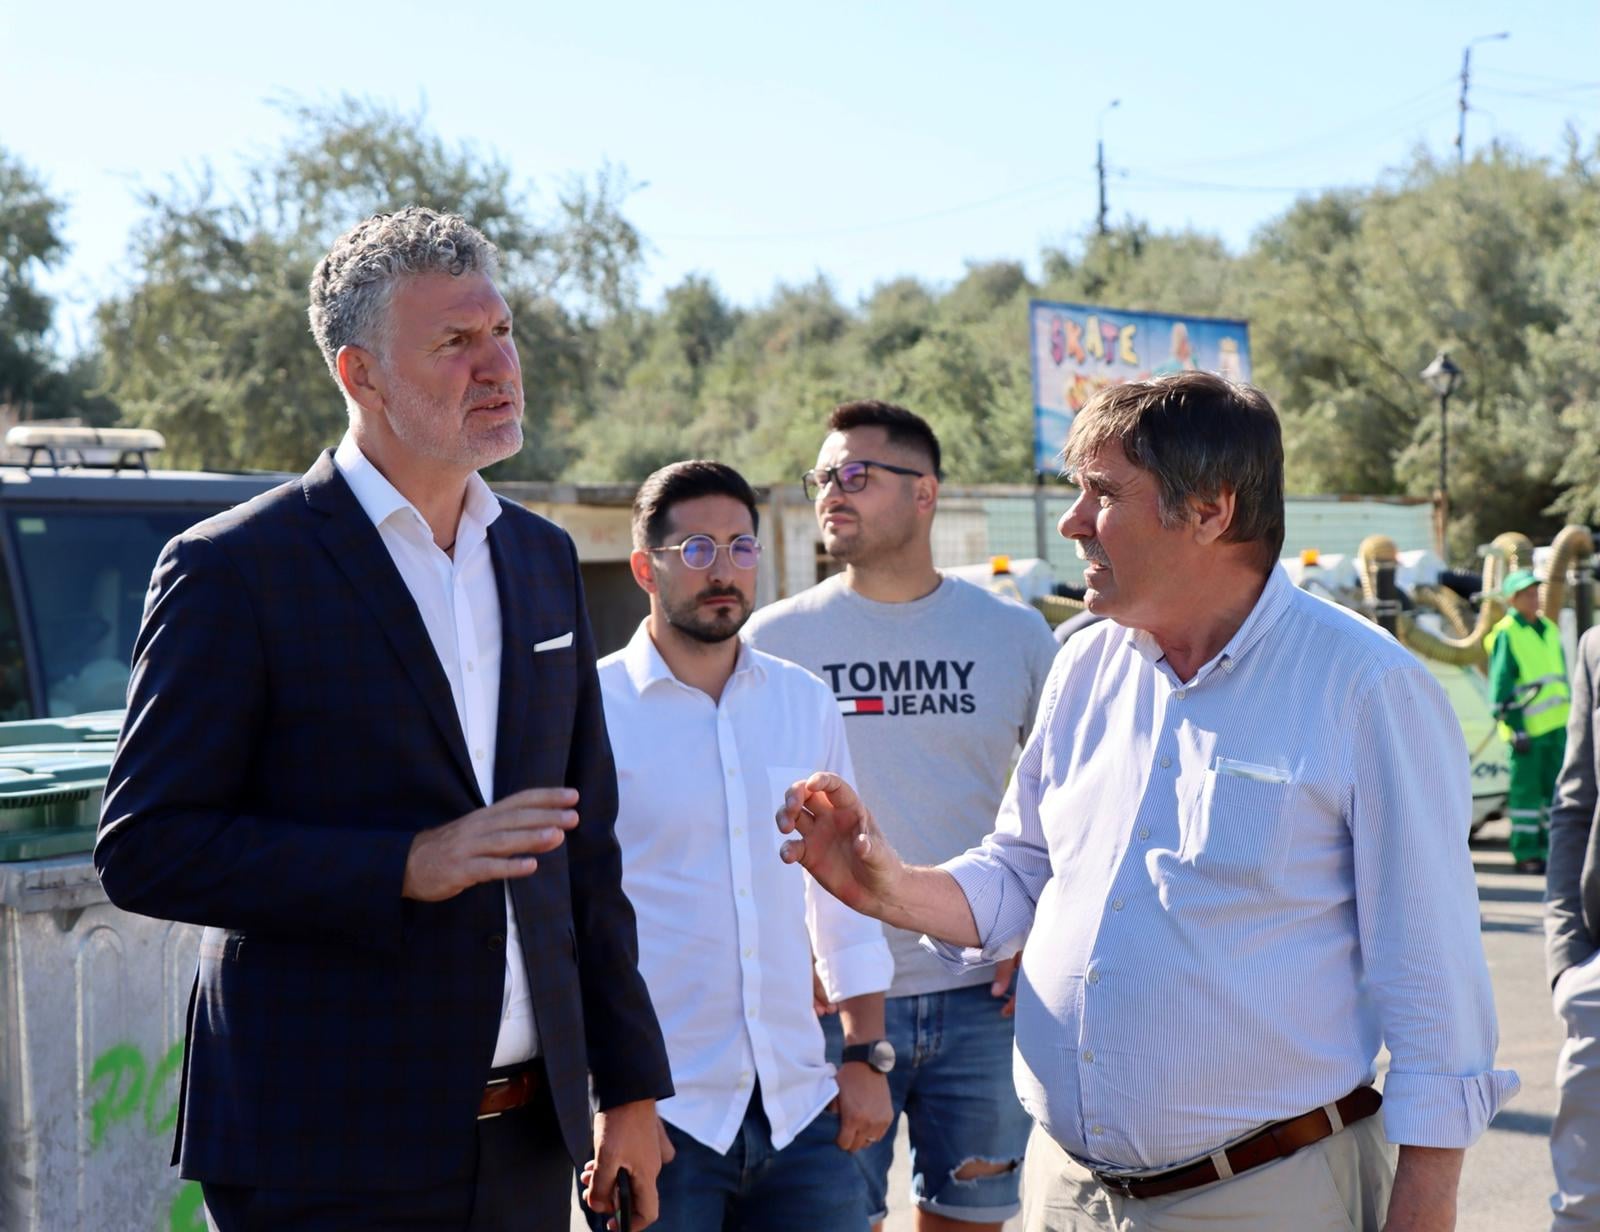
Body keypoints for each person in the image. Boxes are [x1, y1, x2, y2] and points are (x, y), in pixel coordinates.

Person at [776, 372, 1518, 1232]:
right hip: (1067, 1194)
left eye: (1102, 493)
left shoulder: (1365, 686)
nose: (1072, 522)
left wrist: (1424, 1207)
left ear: (1209, 510)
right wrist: (888, 887)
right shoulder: (1086, 665)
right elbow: (1023, 873)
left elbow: (1434, 989)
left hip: (1261, 1198)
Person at [93, 207, 672, 1232]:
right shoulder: (235, 568)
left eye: (502, 331)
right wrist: (402, 863)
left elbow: (586, 850)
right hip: (319, 1147)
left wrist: (629, 1088)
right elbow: (147, 848)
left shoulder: (539, 560)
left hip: (529, 1141)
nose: (498, 365)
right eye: (454, 341)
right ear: (359, 375)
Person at [747, 400, 1057, 1232]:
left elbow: (1077, 805)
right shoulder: (772, 639)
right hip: (828, 1006)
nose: (830, 492)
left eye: (854, 474)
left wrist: (1043, 930)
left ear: (925, 493)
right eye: (822, 476)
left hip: (983, 999)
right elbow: (739, 814)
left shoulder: (1016, 635)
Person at [587, 459, 894, 1231]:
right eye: (696, 550)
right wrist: (614, 1096)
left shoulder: (803, 701)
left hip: (803, 1110)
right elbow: (567, 919)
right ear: (644, 569)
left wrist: (866, 1053)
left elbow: (844, 887)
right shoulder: (589, 711)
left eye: (741, 547)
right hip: (663, 1116)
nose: (722, 571)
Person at [1545, 622, 1600, 1228]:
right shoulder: (1596, 648)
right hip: (1598, 988)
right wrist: (1569, 964)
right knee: (1584, 1212)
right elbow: (1575, 807)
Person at [1487, 569, 1570, 874]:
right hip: (1527, 732)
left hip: (1556, 728)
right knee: (1526, 795)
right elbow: (1501, 687)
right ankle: (1526, 853)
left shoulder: (1549, 629)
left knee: (1555, 793)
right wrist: (1516, 727)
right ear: (1512, 599)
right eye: (1527, 594)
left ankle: (1552, 850)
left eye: (1536, 592)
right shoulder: (1507, 633)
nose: (1534, 598)